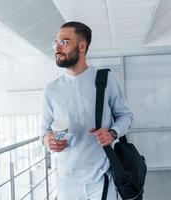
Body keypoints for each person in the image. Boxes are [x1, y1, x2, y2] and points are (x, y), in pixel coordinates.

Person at [41, 21, 133, 200]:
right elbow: (44, 131)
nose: (57, 48)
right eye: (56, 43)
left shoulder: (105, 80)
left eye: (64, 42)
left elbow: (126, 115)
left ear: (82, 46)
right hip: (67, 180)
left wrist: (113, 133)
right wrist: (48, 141)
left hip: (102, 176)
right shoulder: (51, 89)